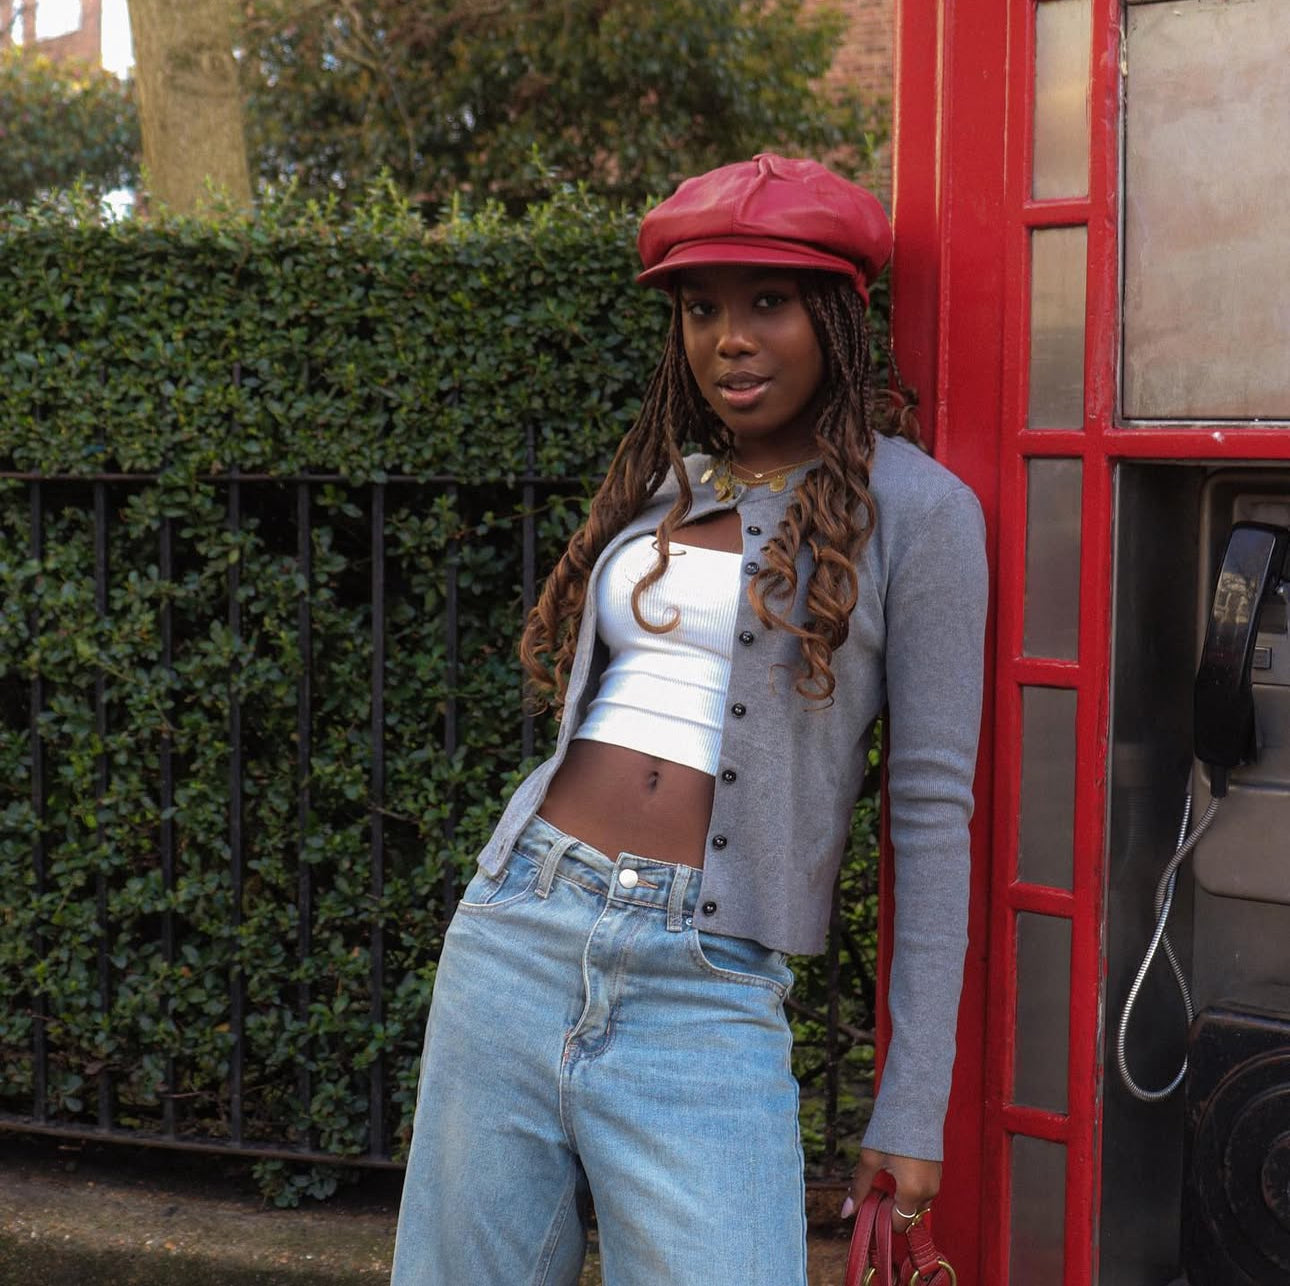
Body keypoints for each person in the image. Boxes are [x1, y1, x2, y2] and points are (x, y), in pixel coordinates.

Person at [390, 152, 987, 1286]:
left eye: (768, 301)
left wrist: (912, 1104)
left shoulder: (921, 513)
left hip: (706, 978)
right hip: (518, 926)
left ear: (835, 313)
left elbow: (932, 809)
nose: (730, 338)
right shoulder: (669, 484)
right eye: (702, 308)